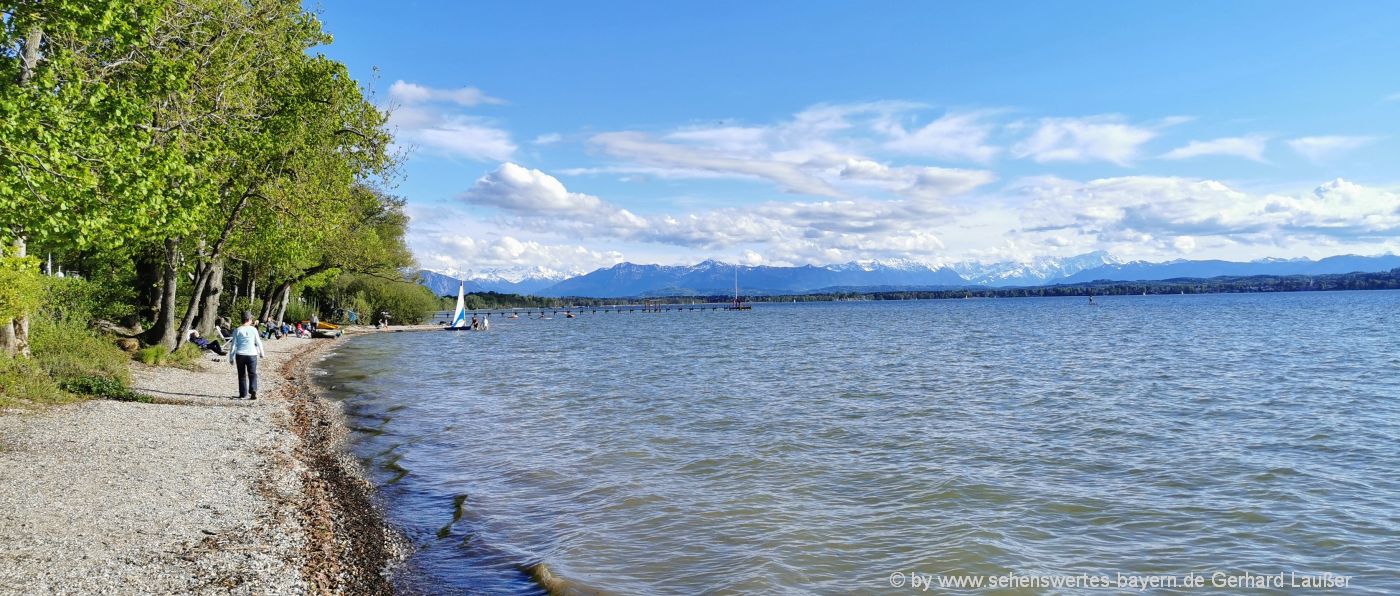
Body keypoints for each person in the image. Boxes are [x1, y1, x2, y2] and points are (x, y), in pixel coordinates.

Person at [228, 311, 265, 400]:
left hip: (240, 354)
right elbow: (258, 342)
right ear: (249, 320)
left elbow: (233, 345)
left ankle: (243, 394)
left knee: (241, 375)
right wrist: (261, 353)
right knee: (252, 373)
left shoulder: (237, 330)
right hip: (252, 354)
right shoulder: (253, 329)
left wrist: (231, 357)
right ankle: (253, 390)